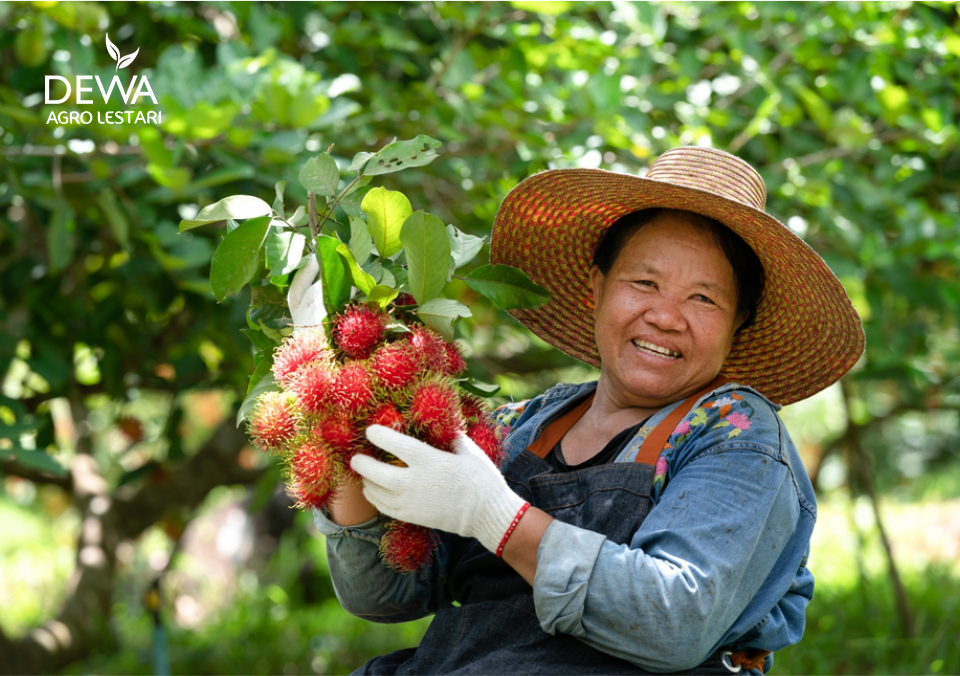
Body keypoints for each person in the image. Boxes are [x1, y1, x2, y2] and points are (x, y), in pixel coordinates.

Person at [313, 146, 865, 675]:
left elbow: (673, 621)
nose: (667, 317)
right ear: (595, 289)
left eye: (704, 299)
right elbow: (386, 594)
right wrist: (342, 426)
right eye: (644, 283)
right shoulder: (520, 425)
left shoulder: (739, 437)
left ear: (737, 322)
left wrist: (497, 517)